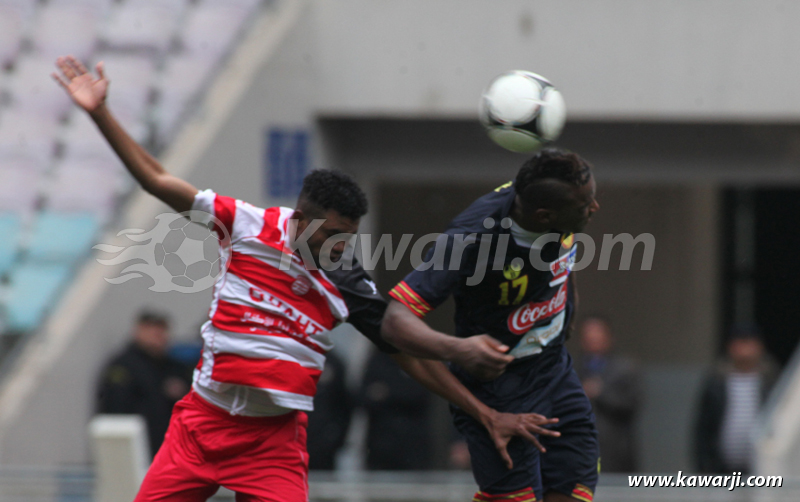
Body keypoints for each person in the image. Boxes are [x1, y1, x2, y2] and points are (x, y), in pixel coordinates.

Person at [53, 56, 560, 501]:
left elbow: (405, 350)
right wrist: (100, 113)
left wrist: (481, 408)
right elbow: (157, 179)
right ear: (300, 219)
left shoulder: (346, 279)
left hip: (272, 445)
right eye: (333, 235)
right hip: (200, 427)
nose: (341, 248)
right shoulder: (244, 225)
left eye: (349, 238)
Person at [382, 148, 601, 502]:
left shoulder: (546, 196)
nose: (595, 208)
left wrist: (568, 308)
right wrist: (460, 349)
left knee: (574, 492)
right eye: (585, 205)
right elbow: (394, 321)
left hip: (555, 371)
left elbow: (564, 250)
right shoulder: (470, 240)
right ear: (544, 216)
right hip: (498, 393)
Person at [97, 310, 192, 457]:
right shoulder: (123, 367)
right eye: (151, 329)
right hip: (135, 450)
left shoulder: (175, 368)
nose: (157, 335)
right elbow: (115, 410)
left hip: (171, 450)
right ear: (138, 331)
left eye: (161, 330)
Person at [693, 325, 779, 474]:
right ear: (730, 347)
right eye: (740, 343)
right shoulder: (717, 380)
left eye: (749, 343)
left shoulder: (771, 380)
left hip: (762, 468)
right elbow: (703, 427)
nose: (744, 349)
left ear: (760, 347)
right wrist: (703, 464)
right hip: (721, 468)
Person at [575, 316, 642, 473]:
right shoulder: (570, 368)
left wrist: (601, 393)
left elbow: (632, 404)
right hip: (578, 448)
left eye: (597, 333)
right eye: (588, 334)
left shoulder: (626, 368)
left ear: (609, 337)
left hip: (615, 451)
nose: (593, 338)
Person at [359, 348, 433, 470]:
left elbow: (419, 393)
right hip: (380, 444)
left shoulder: (415, 357)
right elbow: (363, 397)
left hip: (413, 444)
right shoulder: (378, 359)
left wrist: (387, 392)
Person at [305, 351, 353, 470]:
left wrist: (335, 437)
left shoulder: (332, 362)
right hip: (291, 442)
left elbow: (344, 405)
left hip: (323, 445)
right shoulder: (289, 358)